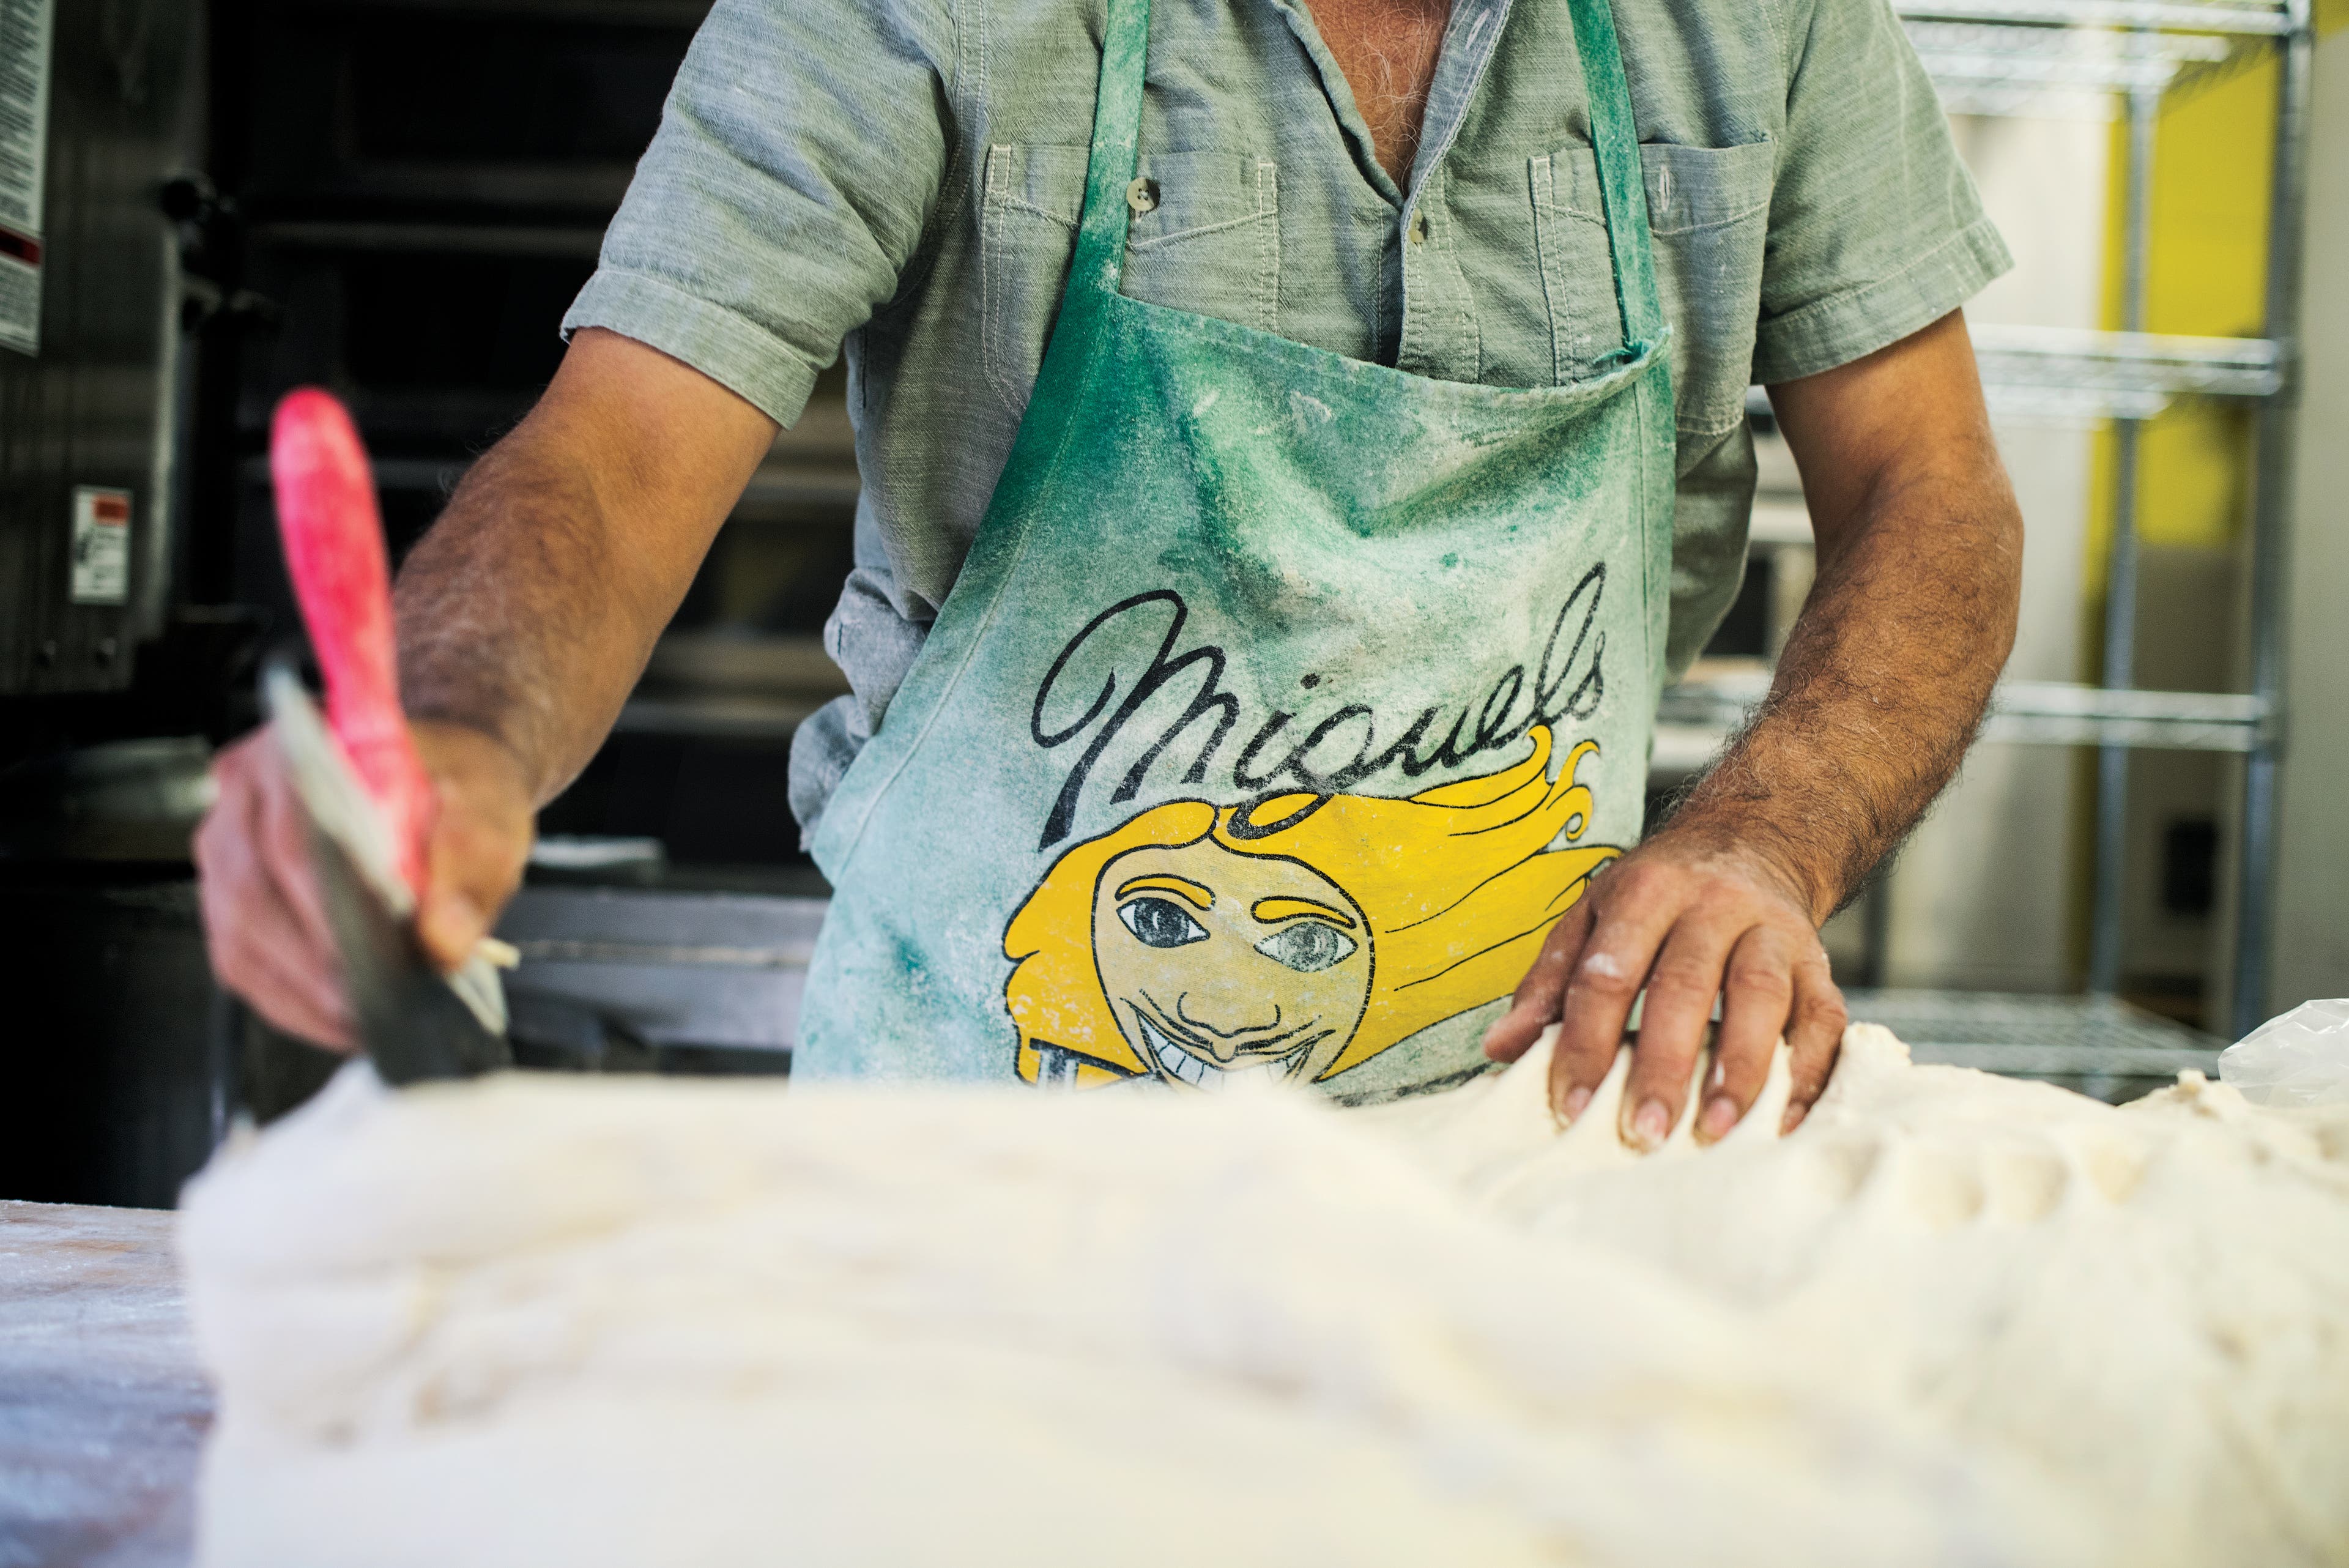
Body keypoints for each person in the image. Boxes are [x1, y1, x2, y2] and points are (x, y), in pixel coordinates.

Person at [197, 0, 2023, 1146]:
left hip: (1516, 1182)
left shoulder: (1765, 25)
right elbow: (617, 450)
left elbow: (1932, 487)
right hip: (975, 1177)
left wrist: (1766, 836)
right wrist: (455, 734)